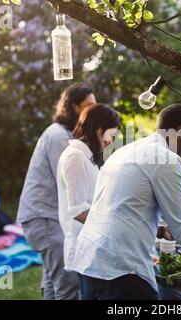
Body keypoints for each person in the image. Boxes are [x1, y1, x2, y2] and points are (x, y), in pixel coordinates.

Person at [74, 104, 181, 300]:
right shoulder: (167, 160)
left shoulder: (124, 151)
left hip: (87, 261)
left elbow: (120, 207)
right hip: (121, 270)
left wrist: (160, 229)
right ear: (179, 132)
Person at [17, 83, 96, 300]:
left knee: (53, 283)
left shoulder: (65, 135)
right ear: (74, 106)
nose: (93, 111)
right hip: (44, 218)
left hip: (47, 218)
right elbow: (72, 184)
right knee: (67, 283)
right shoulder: (60, 137)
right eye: (88, 106)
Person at [57, 103, 120, 298]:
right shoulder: (75, 157)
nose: (112, 141)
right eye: (112, 135)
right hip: (86, 251)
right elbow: (77, 211)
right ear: (99, 130)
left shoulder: (86, 157)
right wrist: (116, 224)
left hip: (94, 249)